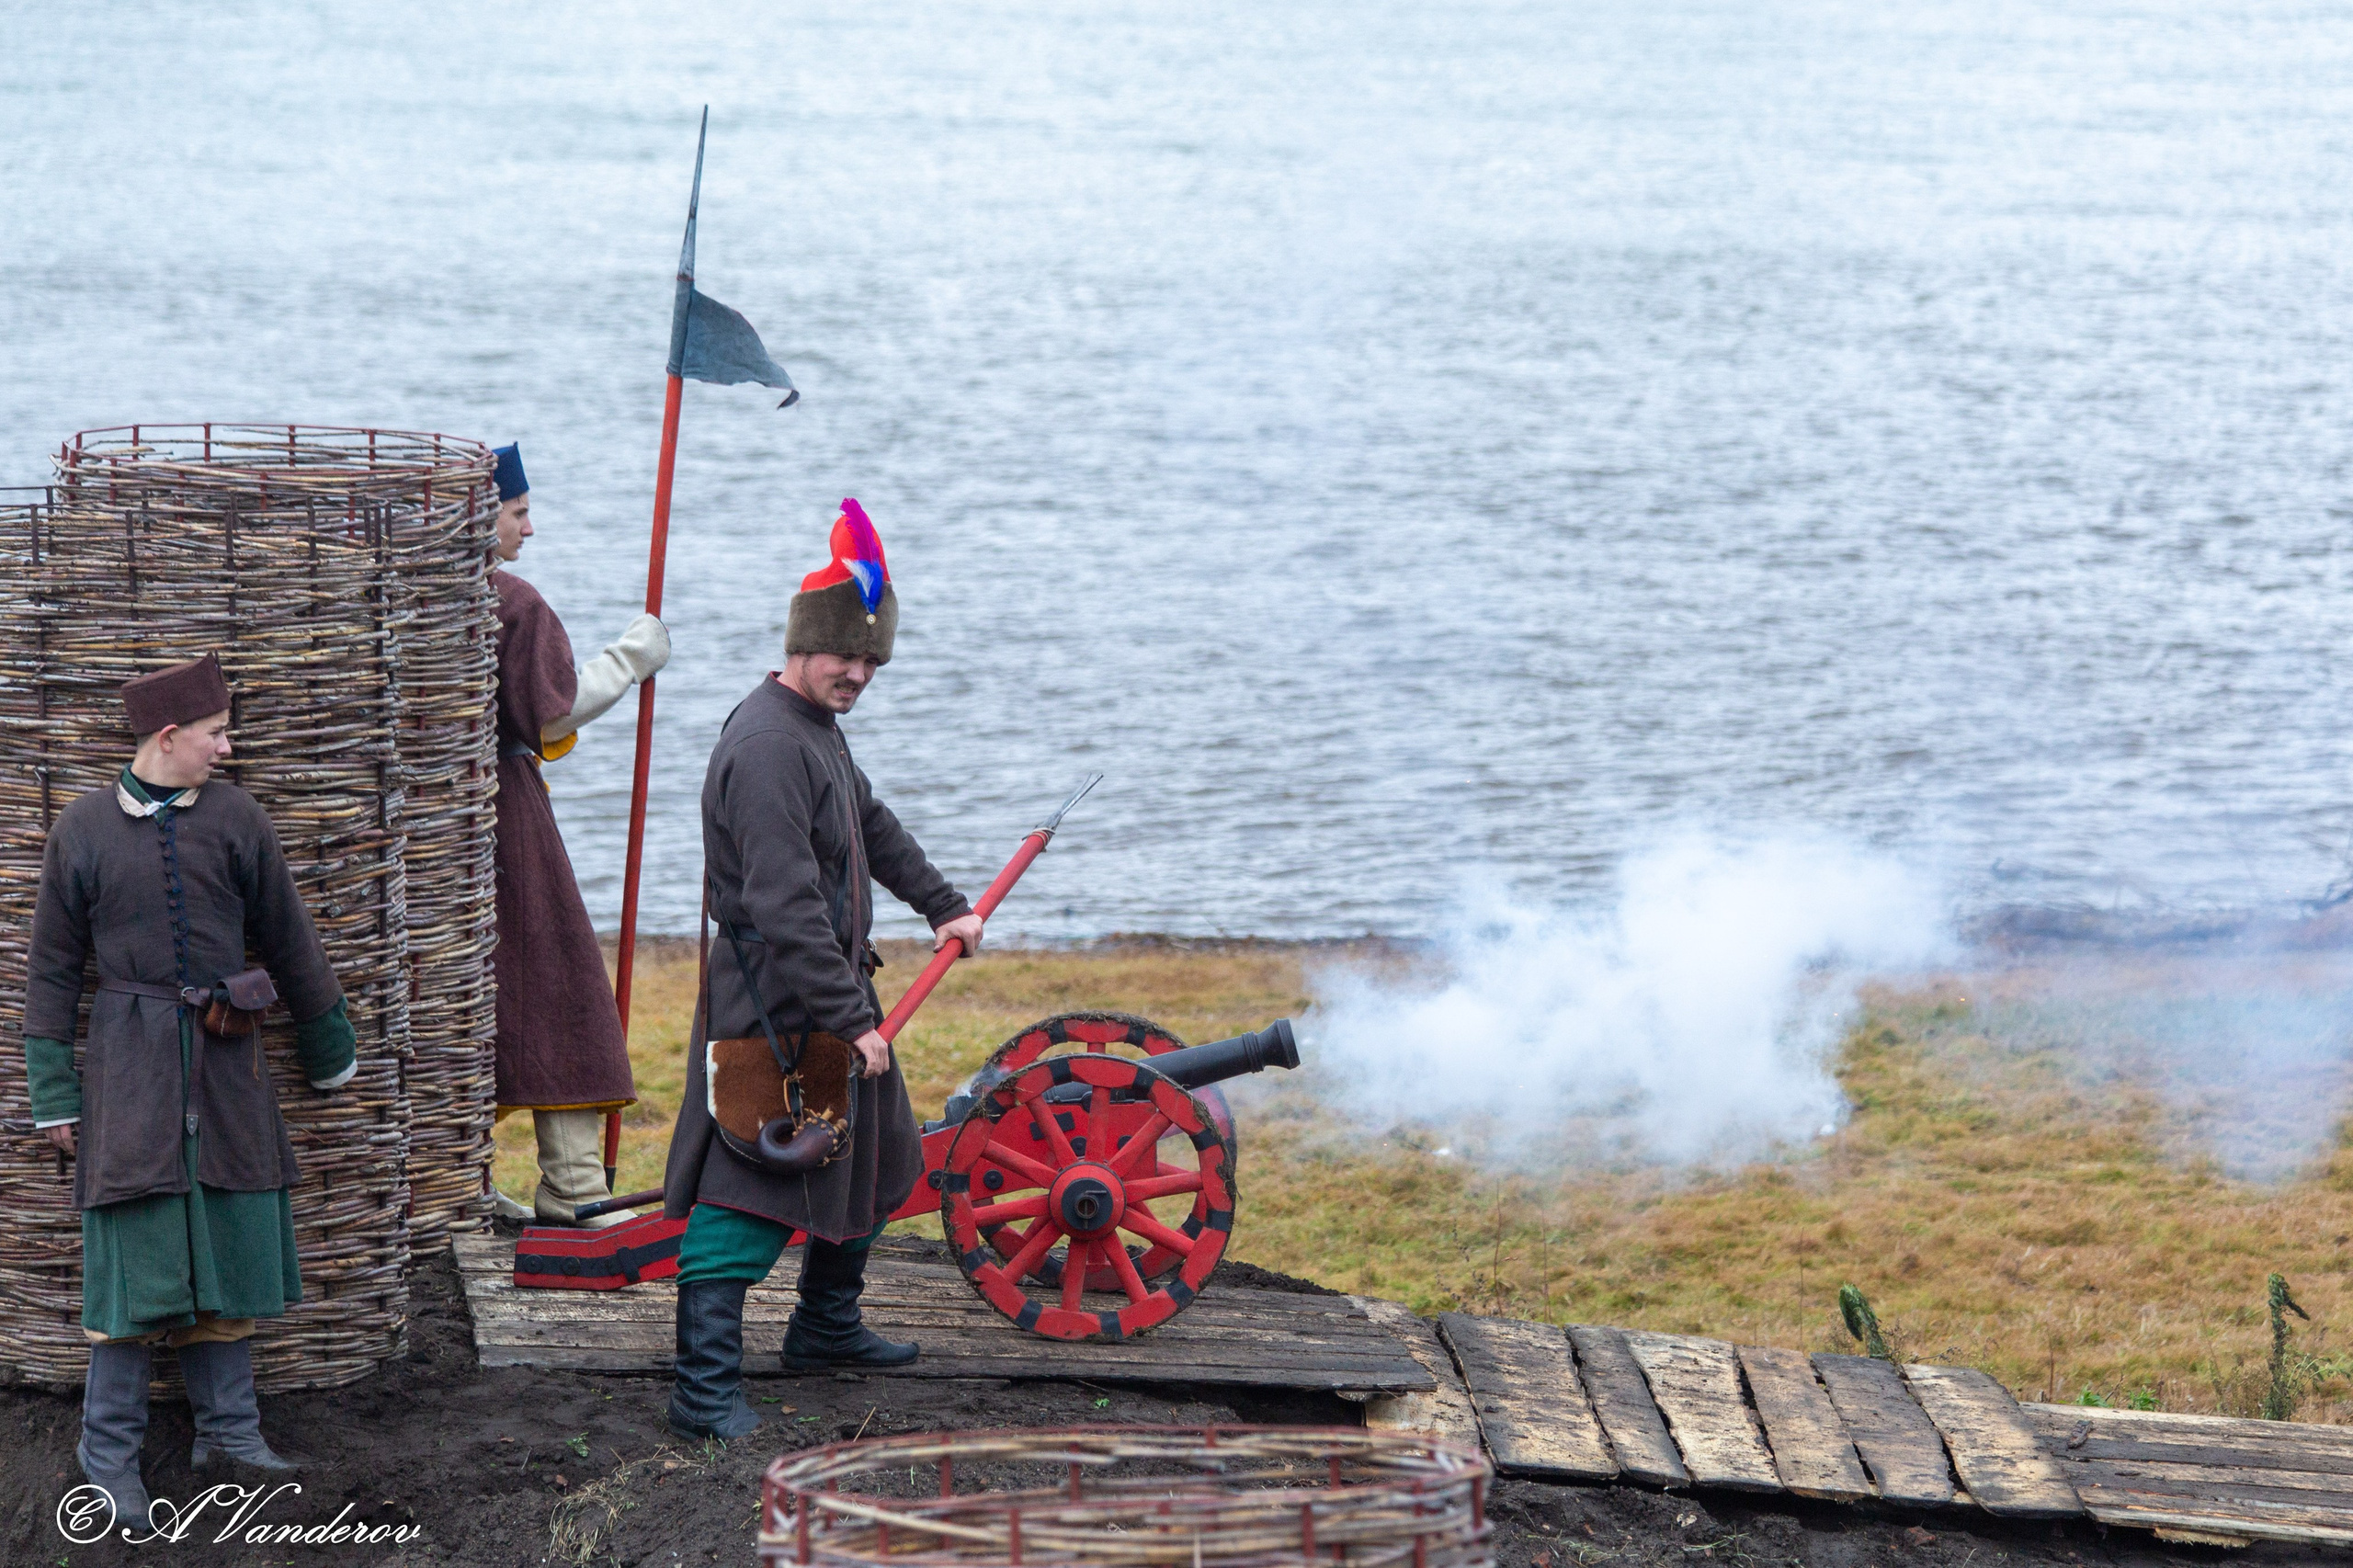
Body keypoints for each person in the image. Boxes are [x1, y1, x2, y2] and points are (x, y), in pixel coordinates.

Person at [660, 500, 984, 1440]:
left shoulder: (813, 728)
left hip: (824, 990)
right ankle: (703, 1385)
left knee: (876, 1148)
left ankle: (825, 1327)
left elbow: (868, 824)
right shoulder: (767, 745)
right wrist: (852, 1019)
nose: (858, 673)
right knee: (747, 1182)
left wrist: (943, 902)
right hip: (772, 999)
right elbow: (787, 904)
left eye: (873, 659)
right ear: (802, 645)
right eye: (845, 655)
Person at [23, 653, 360, 1528]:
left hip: (227, 1060)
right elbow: (54, 971)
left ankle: (231, 1436)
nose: (227, 745)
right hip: (128, 1066)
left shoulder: (238, 817)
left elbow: (288, 936)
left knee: (229, 1237)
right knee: (134, 1258)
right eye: (215, 733)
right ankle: (108, 1458)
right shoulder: (84, 831)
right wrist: (54, 1088)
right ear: (168, 738)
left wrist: (329, 1044)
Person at [484, 443, 670, 1228]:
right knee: (559, 987)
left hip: (423, 828)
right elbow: (550, 713)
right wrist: (628, 660)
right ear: (480, 514)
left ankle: (464, 1181)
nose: (531, 527)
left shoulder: (400, 595)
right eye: (519, 511)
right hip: (499, 818)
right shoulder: (510, 603)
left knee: (474, 996)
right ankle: (574, 1189)